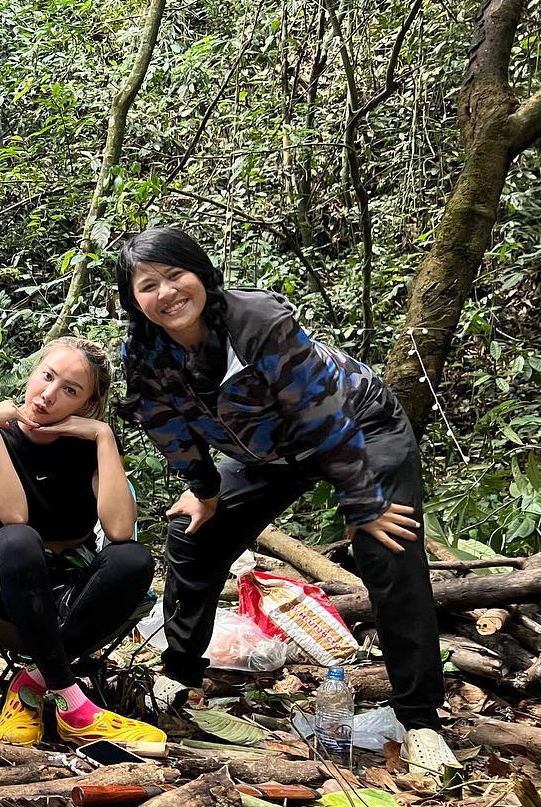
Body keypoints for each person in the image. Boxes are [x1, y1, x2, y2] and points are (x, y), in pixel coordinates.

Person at [114, 226, 448, 750]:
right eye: (148, 286)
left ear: (201, 273)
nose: (168, 293)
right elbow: (167, 425)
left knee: (385, 545)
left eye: (176, 275)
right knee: (192, 532)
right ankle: (178, 676)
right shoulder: (144, 354)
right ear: (134, 301)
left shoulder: (256, 321)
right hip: (267, 453)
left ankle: (419, 719)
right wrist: (204, 489)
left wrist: (363, 503)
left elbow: (321, 414)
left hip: (358, 426)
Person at [0, 338, 166, 747]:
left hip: (70, 586)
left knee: (133, 559)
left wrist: (103, 436)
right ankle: (75, 705)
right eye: (47, 376)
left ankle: (32, 684)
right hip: (6, 581)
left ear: (86, 405)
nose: (49, 394)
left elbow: (119, 530)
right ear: (33, 373)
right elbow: (13, 515)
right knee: (19, 539)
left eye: (70, 390)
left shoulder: (89, 444)